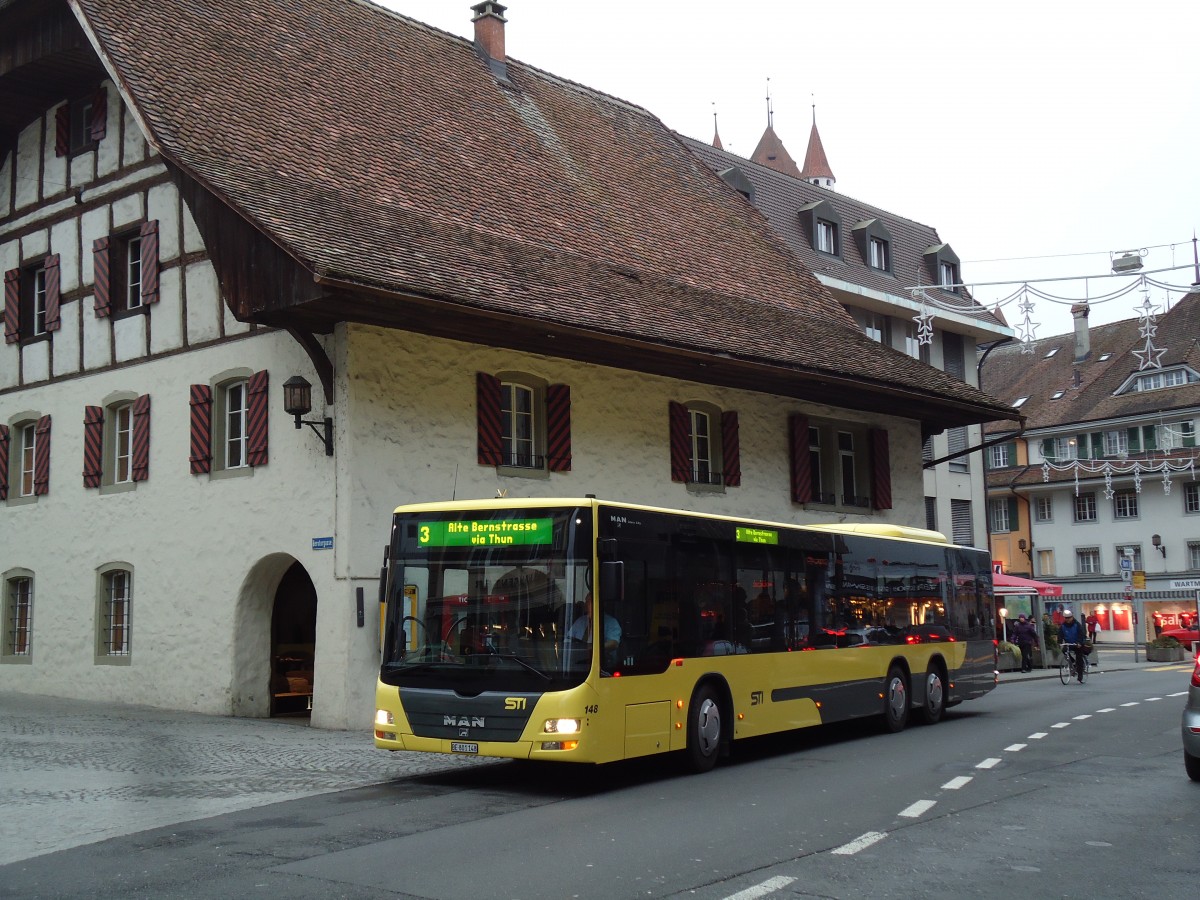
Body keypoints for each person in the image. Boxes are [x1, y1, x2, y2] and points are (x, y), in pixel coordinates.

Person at [568, 592, 621, 665]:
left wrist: (593, 649)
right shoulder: (580, 621)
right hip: (577, 662)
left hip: (602, 663)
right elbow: (568, 639)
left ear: (597, 603)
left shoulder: (611, 622)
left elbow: (614, 643)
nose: (586, 604)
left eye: (589, 601)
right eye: (586, 601)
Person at [1058, 608, 1088, 682]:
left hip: (1077, 644)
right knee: (1064, 650)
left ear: (1072, 617)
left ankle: (1080, 675)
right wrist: (1059, 642)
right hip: (1069, 643)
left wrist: (1080, 642)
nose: (1067, 619)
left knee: (1079, 658)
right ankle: (1072, 661)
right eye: (1066, 618)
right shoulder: (1063, 626)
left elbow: (1082, 634)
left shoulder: (1077, 625)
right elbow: (1060, 635)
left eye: (1068, 618)